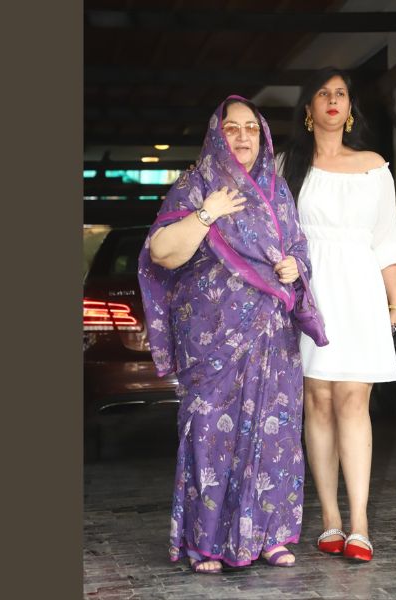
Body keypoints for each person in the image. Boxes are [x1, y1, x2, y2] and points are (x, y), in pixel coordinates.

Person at [138, 96, 315, 573]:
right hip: (211, 340)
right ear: (217, 135)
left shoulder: (277, 190)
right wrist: (206, 213)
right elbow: (161, 253)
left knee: (273, 434)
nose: (242, 137)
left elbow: (299, 248)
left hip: (271, 338)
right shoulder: (194, 185)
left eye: (251, 128)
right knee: (209, 435)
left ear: (263, 137)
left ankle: (269, 535)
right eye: (231, 128)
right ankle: (205, 542)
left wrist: (294, 266)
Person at [279, 68, 396, 562]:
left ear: (350, 108)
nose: (332, 100)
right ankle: (330, 520)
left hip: (360, 294)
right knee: (317, 402)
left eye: (341, 93)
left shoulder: (374, 167)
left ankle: (359, 525)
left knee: (353, 400)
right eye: (323, 93)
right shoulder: (287, 165)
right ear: (308, 109)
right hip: (308, 293)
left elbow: (387, 243)